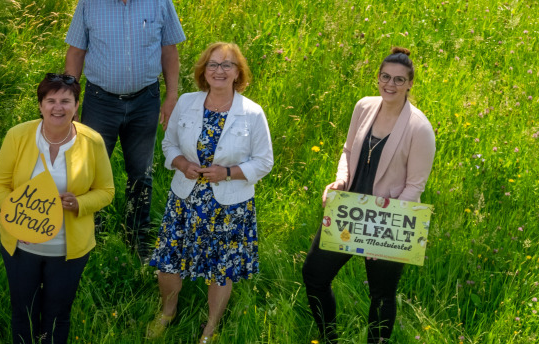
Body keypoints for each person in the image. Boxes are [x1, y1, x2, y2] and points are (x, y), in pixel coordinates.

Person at [302, 47, 436, 343]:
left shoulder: (420, 128)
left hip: (388, 220)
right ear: (377, 77)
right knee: (314, 276)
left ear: (410, 83)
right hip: (349, 211)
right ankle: (329, 338)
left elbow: (415, 187)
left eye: (399, 80)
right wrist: (340, 181)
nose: (391, 84)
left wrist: (384, 235)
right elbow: (348, 151)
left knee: (382, 295)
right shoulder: (364, 106)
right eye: (385, 77)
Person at [63, 0, 186, 257]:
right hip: (100, 101)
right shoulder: (89, 2)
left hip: (145, 101)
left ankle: (137, 239)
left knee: (141, 173)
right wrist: (70, 98)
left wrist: (170, 96)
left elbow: (169, 51)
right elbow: (75, 53)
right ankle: (92, 235)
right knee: (90, 171)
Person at [146, 43, 274, 342]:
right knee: (169, 259)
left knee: (221, 267)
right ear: (203, 71)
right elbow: (169, 145)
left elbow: (264, 161)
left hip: (229, 203)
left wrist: (227, 173)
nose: (219, 70)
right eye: (213, 64)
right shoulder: (187, 102)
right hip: (185, 198)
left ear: (238, 72)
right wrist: (182, 163)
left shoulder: (252, 113)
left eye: (227, 65)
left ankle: (211, 326)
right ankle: (167, 313)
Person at [0, 74, 115, 344]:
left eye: (65, 101)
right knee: (23, 312)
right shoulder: (18, 135)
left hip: (68, 250)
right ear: (40, 105)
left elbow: (107, 191)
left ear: (76, 105)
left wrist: (80, 203)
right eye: (51, 101)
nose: (58, 107)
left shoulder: (92, 141)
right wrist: (15, 220)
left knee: (58, 315)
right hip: (22, 248)